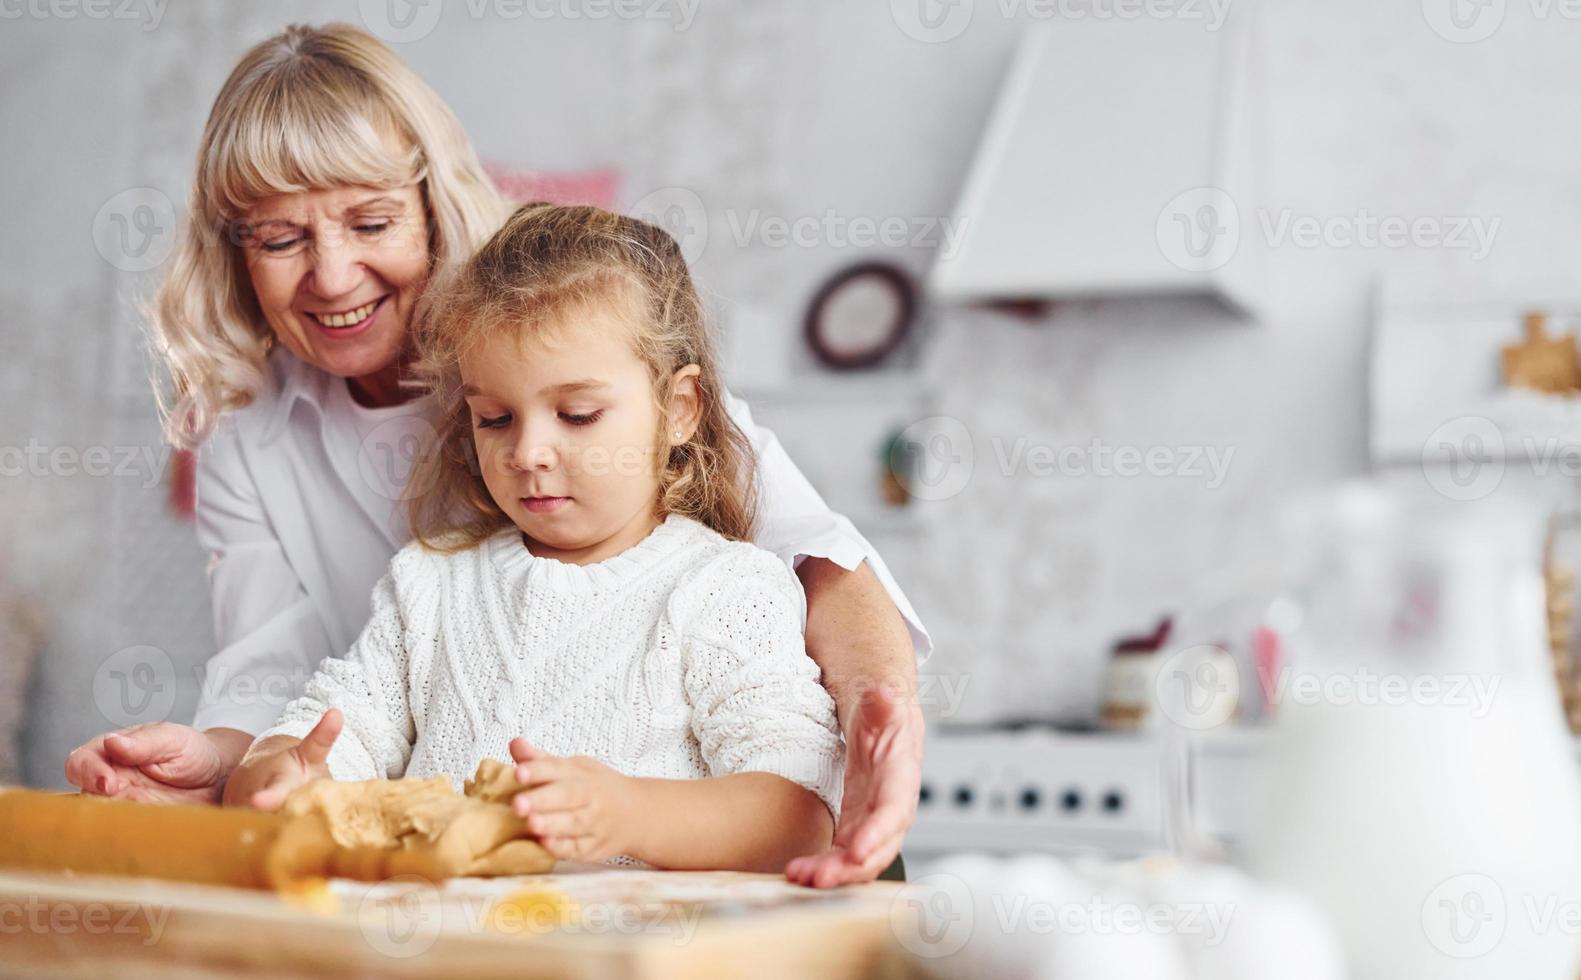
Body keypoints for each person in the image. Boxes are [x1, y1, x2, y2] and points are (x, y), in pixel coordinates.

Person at [63, 22, 926, 887]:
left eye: (371, 221)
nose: (330, 276)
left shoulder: (565, 336)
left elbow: (815, 558)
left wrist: (879, 715)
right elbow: (292, 694)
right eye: (280, 240)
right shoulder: (400, 559)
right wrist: (240, 767)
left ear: (433, 203)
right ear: (234, 249)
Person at [226, 203, 844, 873]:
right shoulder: (430, 582)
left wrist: (629, 813)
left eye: (576, 415)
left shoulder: (724, 589)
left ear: (679, 410)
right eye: (494, 418)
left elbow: (797, 816)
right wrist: (276, 776)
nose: (528, 452)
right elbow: (329, 732)